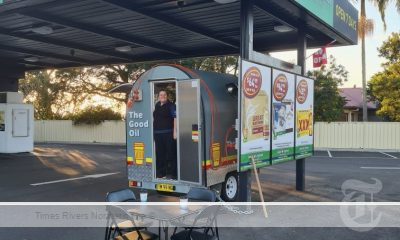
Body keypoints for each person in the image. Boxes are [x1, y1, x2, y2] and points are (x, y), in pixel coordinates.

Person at [153, 90, 177, 179]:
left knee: (170, 154)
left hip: (168, 133)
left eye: (164, 94)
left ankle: (171, 173)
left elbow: (175, 118)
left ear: (167, 96)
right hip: (157, 134)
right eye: (161, 94)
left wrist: (175, 132)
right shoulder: (157, 105)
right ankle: (161, 173)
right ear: (158, 96)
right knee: (159, 154)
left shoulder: (171, 105)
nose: (162, 96)